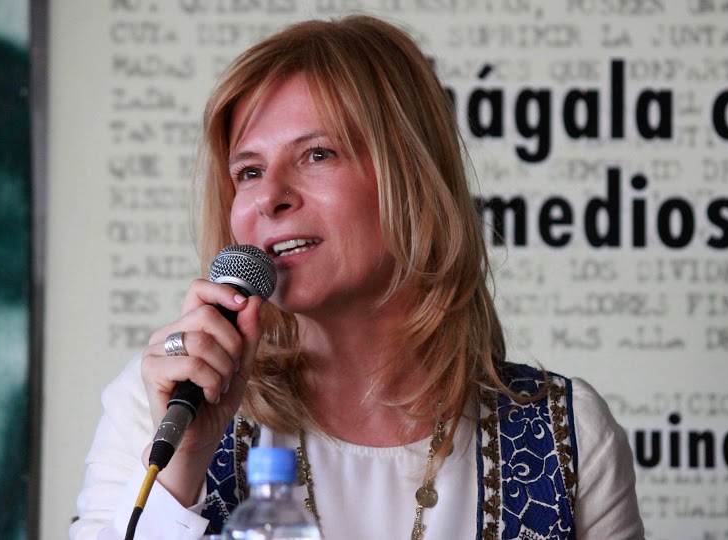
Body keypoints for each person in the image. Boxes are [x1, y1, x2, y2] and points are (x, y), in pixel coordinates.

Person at [71, 15, 644, 540]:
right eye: (248, 171)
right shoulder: (159, 405)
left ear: (414, 178)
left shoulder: (567, 435)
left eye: (317, 155)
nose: (269, 196)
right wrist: (181, 468)